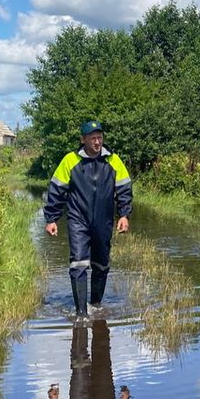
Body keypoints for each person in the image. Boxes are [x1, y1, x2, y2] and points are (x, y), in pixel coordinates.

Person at [44, 120, 133, 317]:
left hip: (104, 220)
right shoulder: (70, 160)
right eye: (92, 138)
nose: (97, 142)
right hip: (78, 220)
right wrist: (51, 219)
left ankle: (95, 304)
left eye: (99, 137)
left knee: (101, 264)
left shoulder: (113, 160)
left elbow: (124, 189)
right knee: (78, 264)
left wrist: (124, 214)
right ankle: (81, 314)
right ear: (83, 139)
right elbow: (56, 190)